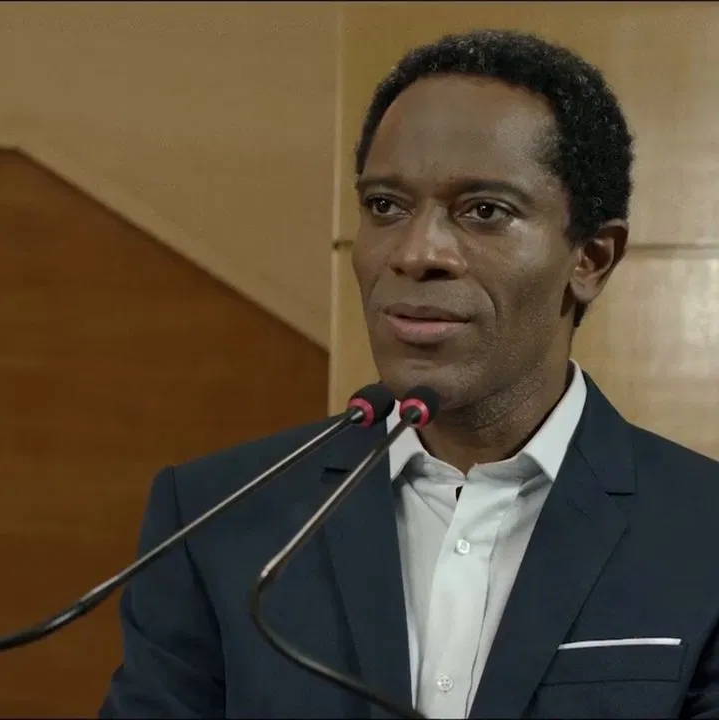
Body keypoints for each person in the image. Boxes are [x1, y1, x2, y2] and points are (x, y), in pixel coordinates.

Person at [99, 29, 719, 719]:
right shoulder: (216, 518)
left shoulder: (704, 531)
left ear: (591, 258)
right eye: (385, 207)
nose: (417, 253)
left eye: (484, 211)